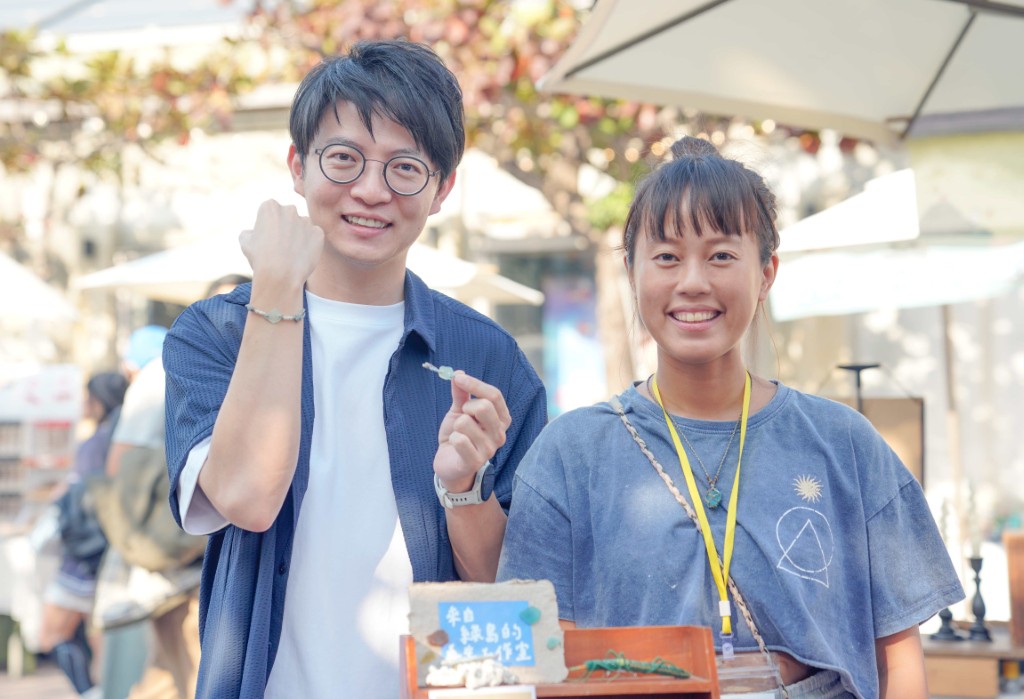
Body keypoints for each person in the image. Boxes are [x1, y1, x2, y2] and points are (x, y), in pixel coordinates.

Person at [497, 137, 963, 699]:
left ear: (766, 273)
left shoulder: (844, 443)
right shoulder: (570, 454)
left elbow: (900, 662)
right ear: (631, 272)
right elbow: (548, 663)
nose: (693, 281)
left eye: (721, 255)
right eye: (667, 257)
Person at [162, 40, 547, 698]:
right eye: (343, 158)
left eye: (406, 168)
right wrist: (276, 289)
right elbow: (247, 498)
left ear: (442, 189)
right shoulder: (215, 334)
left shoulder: (487, 356)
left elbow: (517, 601)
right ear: (297, 165)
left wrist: (464, 491)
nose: (371, 190)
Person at [40, 372, 129, 698]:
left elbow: (83, 496)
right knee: (101, 643)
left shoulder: (96, 443)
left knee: (51, 635)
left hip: (82, 557)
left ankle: (88, 693)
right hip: (111, 552)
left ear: (98, 401)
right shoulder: (123, 436)